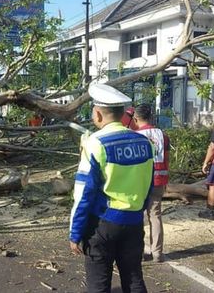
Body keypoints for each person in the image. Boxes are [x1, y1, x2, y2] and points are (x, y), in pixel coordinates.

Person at [69, 84, 154, 293]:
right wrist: (137, 211)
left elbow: (84, 194)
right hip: (134, 222)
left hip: (103, 224)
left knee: (99, 284)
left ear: (98, 114)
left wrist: (75, 233)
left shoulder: (94, 143)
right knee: (134, 279)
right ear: (124, 114)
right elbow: (148, 185)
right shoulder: (145, 142)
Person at [130, 104, 170, 263]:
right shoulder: (162, 134)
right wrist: (166, 179)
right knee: (155, 216)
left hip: (140, 181)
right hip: (159, 178)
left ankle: (138, 252)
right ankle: (158, 253)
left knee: (137, 216)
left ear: (136, 118)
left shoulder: (134, 135)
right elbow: (166, 159)